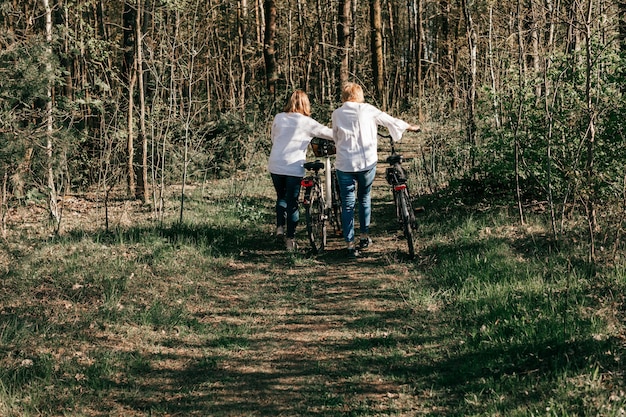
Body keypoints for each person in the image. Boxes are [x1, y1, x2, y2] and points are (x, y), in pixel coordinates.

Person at [332, 82, 420, 259]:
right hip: (366, 163)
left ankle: (349, 245)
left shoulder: (337, 113)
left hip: (345, 165)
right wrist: (409, 126)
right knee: (364, 198)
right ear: (359, 95)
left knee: (347, 205)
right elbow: (390, 121)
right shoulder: (367, 110)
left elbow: (336, 136)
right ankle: (364, 237)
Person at [268, 90, 334, 251]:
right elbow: (330, 134)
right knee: (292, 203)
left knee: (281, 197)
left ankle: (280, 229)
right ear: (306, 104)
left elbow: (273, 137)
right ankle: (290, 240)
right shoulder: (307, 122)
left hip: (275, 163)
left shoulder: (279, 117)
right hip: (293, 165)